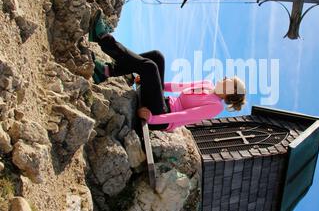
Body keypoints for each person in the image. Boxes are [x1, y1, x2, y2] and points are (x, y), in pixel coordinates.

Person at [88, 10, 246, 132]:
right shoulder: (207, 84)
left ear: (229, 91)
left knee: (150, 67)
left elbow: (185, 116)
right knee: (157, 57)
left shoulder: (215, 106)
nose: (224, 78)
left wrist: (153, 119)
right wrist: (153, 81)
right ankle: (107, 70)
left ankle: (104, 39)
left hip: (162, 117)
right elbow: (178, 86)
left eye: (228, 80)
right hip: (163, 101)